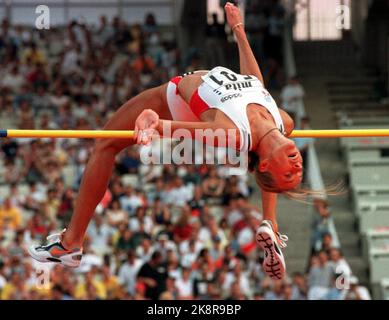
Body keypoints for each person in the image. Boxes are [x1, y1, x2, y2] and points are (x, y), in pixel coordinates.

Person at [29, 2, 302, 280]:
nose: (297, 165)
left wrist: (155, 122)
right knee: (269, 143)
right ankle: (272, 225)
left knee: (105, 144)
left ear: (266, 163)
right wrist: (239, 30)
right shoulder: (282, 121)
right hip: (219, 117)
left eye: (288, 173)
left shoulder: (232, 134)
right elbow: (254, 82)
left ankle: (71, 242)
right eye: (298, 171)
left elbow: (183, 130)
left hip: (172, 101)